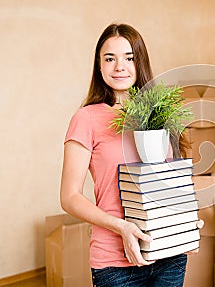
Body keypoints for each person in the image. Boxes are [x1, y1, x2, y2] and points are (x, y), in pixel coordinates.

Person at [60, 23, 202, 287]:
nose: (119, 66)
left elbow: (169, 183)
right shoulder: (86, 118)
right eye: (109, 58)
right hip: (115, 263)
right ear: (99, 66)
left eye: (129, 58)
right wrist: (122, 227)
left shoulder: (161, 115)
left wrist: (185, 221)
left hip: (168, 254)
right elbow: (69, 197)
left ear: (140, 63)